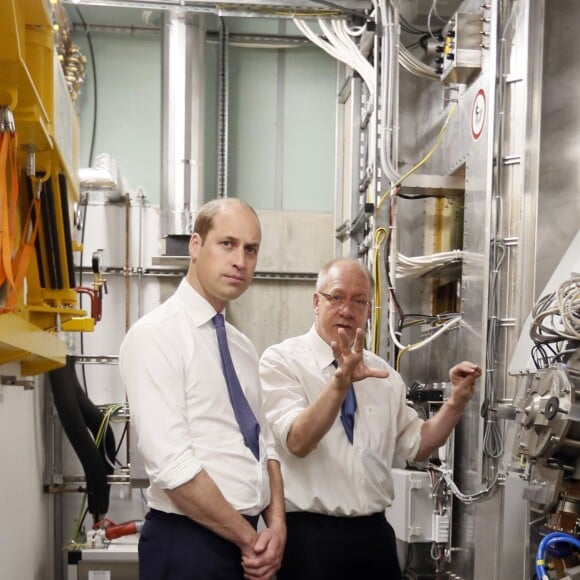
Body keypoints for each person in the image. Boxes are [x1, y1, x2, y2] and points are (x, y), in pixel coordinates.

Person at [259, 258, 481, 580]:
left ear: (368, 309)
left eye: (359, 300)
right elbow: (298, 440)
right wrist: (341, 382)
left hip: (373, 537)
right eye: (336, 297)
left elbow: (418, 444)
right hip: (309, 540)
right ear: (316, 302)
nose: (347, 310)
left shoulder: (384, 376)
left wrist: (457, 402)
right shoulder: (282, 362)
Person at [119, 198, 285, 580]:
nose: (240, 260)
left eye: (251, 249)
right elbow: (173, 467)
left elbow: (265, 446)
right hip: (188, 545)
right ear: (196, 246)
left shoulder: (242, 347)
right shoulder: (156, 336)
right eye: (227, 244)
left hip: (245, 543)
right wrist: (251, 541)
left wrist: (276, 528)